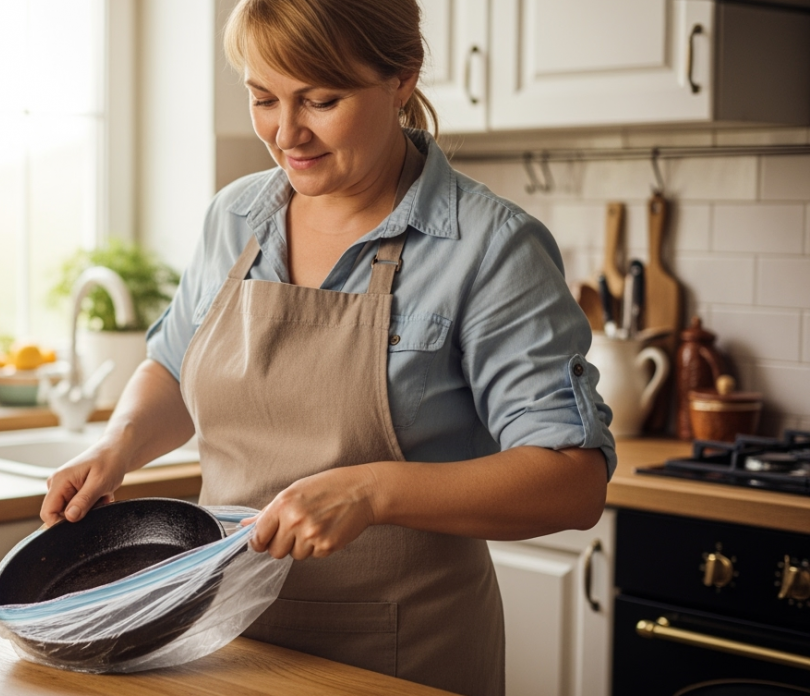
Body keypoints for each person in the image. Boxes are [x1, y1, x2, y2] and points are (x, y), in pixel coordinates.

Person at [40, 1, 615, 693]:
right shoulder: (236, 216)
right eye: (263, 98)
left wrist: (373, 492)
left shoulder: (491, 248)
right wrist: (118, 445)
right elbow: (173, 364)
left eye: (321, 99)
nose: (287, 133)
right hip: (220, 642)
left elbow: (572, 481)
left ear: (403, 76)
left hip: (399, 658)